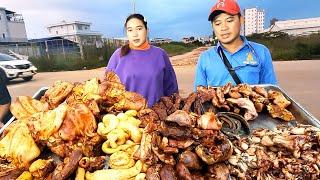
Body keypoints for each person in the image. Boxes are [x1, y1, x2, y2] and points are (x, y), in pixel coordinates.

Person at [194, 0, 277, 89]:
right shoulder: (205, 57)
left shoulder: (261, 51)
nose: (224, 27)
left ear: (241, 20)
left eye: (229, 20)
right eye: (218, 23)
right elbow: (199, 94)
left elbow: (270, 90)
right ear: (213, 27)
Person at [106, 13, 178, 107]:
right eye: (130, 30)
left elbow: (171, 88)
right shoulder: (118, 55)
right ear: (127, 33)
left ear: (147, 30)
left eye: (139, 29)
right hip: (126, 117)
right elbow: (107, 89)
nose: (135, 34)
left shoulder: (160, 54)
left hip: (156, 116)